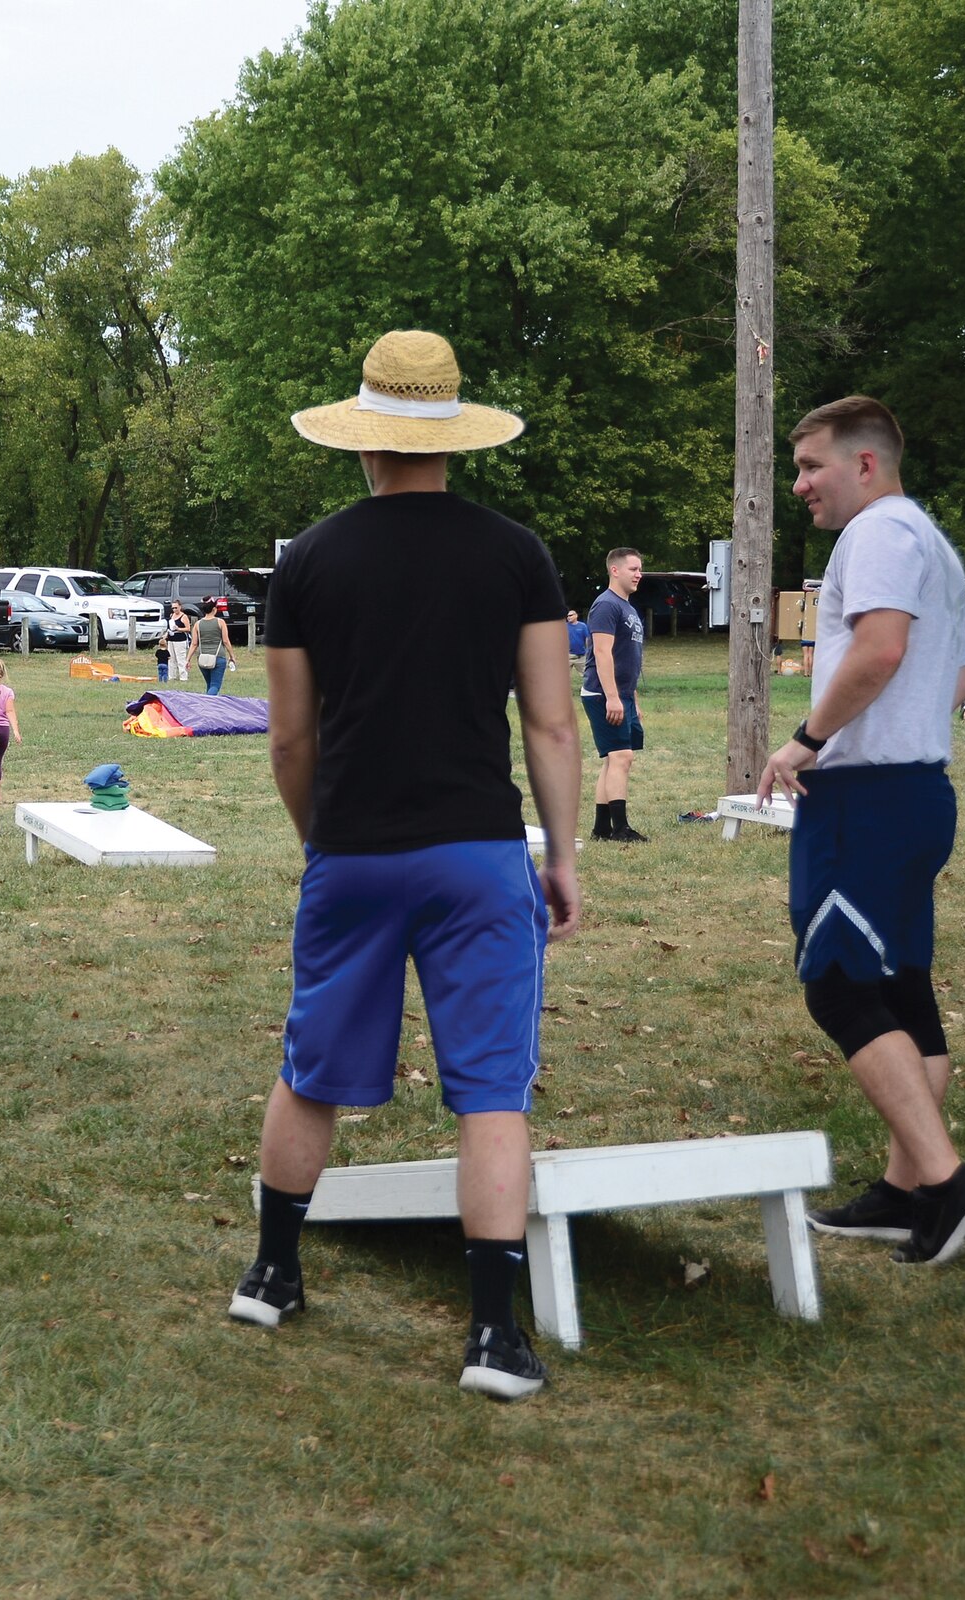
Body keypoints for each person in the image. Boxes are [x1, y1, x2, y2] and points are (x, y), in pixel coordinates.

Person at [231, 328, 581, 1402]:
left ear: (363, 439)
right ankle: (491, 1337)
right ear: (452, 439)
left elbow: (291, 738)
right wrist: (561, 854)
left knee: (311, 1066)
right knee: (489, 1090)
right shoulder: (515, 553)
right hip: (477, 851)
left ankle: (270, 1273)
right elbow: (550, 723)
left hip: (352, 850)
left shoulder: (309, 563)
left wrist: (318, 835)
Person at [758, 395, 965, 1265]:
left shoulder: (878, 535)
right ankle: (905, 1195)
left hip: (866, 800)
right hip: (914, 790)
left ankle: (945, 1180)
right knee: (902, 989)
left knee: (837, 982)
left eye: (811, 466)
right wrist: (904, 738)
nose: (799, 486)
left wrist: (809, 741)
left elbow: (881, 648)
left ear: (865, 463)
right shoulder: (931, 541)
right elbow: (959, 667)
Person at [580, 547, 647, 841]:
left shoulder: (627, 607)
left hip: (622, 695)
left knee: (612, 759)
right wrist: (612, 697)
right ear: (615, 570)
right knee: (622, 757)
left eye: (640, 569)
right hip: (602, 694)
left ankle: (600, 829)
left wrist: (632, 698)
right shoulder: (606, 605)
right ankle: (620, 829)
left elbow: (627, 659)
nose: (639, 574)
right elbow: (602, 652)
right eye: (633, 569)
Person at [193, 598, 237, 694]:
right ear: (214, 609)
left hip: (202, 657)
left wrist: (187, 659)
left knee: (209, 684)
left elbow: (194, 644)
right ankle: (207, 704)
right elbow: (225, 641)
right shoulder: (220, 622)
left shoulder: (197, 624)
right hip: (218, 657)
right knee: (215, 685)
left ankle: (208, 705)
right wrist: (232, 656)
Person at [166, 601, 193, 681]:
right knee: (171, 658)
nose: (174, 610)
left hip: (180, 640)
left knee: (180, 659)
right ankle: (172, 676)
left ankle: (183, 677)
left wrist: (179, 629)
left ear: (180, 607)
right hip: (171, 639)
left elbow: (188, 629)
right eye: (173, 608)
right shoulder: (172, 616)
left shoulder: (184, 616)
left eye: (176, 608)